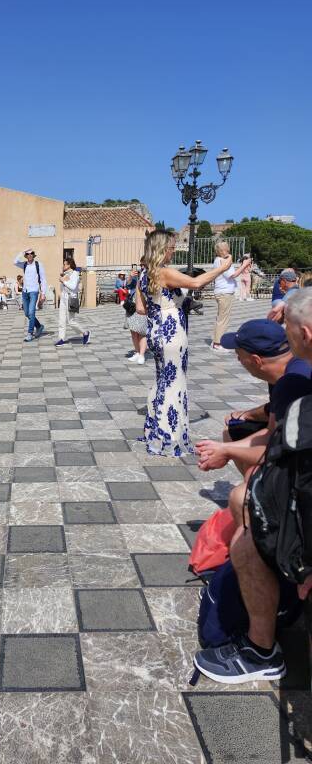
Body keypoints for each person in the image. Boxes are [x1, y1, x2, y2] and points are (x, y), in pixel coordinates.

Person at [193, 289, 312, 684]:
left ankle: (261, 650)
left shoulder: (297, 380)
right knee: (240, 450)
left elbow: (277, 454)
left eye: (239, 354)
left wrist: (227, 451)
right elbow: (275, 419)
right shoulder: (295, 370)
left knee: (245, 517)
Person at [196, 319, 312, 524]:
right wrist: (224, 448)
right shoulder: (287, 369)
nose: (238, 361)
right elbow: (271, 429)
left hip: (303, 465)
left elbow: (277, 447)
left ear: (256, 360)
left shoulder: (292, 383)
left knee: (241, 496)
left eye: (239, 356)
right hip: (295, 447)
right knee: (232, 432)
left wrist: (226, 451)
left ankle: (264, 526)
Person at [135, 230, 232, 456]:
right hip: (172, 332)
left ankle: (154, 431)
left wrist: (163, 305)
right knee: (174, 383)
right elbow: (196, 283)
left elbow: (140, 308)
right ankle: (169, 439)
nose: (174, 251)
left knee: (162, 381)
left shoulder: (143, 275)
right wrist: (223, 269)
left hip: (155, 330)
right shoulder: (164, 272)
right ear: (161, 250)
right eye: (171, 248)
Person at [210, 240, 250, 352]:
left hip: (223, 292)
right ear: (223, 250)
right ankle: (217, 344)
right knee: (223, 319)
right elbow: (232, 275)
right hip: (224, 292)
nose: (228, 250)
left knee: (221, 318)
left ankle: (215, 341)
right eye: (227, 248)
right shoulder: (222, 261)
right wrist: (244, 265)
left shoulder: (220, 260)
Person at [14, 248, 47, 342]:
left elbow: (43, 279)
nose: (29, 255)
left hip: (34, 291)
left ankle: (30, 333)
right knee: (27, 313)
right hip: (25, 292)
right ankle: (39, 326)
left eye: (31, 253)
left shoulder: (38, 264)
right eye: (27, 254)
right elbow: (15, 261)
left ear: (33, 255)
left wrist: (43, 293)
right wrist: (22, 252)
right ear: (26, 256)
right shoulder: (24, 264)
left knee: (32, 312)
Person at [55, 257, 89, 346]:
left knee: (71, 321)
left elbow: (73, 287)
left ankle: (85, 333)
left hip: (71, 299)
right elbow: (63, 288)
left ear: (69, 265)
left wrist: (63, 281)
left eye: (65, 264)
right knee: (61, 320)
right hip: (63, 298)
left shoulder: (75, 274)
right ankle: (61, 338)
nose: (63, 266)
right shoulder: (65, 274)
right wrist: (63, 279)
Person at [126, 257, 147, 365]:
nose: (142, 267)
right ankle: (137, 352)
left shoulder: (149, 276)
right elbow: (127, 285)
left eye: (144, 265)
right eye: (141, 265)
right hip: (132, 306)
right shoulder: (137, 276)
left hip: (143, 306)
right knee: (134, 331)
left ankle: (142, 354)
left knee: (142, 332)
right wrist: (130, 276)